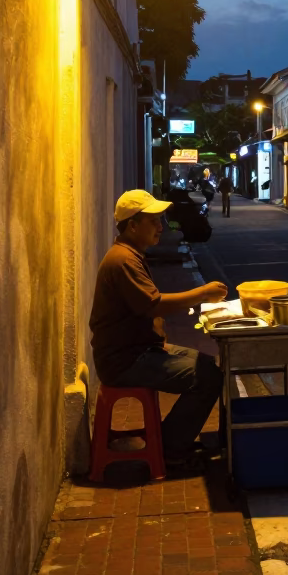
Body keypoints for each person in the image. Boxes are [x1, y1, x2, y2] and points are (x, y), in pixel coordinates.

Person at [90, 189, 229, 471]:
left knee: (207, 365)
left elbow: (144, 308)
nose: (160, 227)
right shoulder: (124, 261)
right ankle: (171, 448)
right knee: (209, 377)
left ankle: (169, 440)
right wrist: (202, 293)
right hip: (125, 361)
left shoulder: (131, 255)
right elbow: (153, 304)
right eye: (153, 221)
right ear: (133, 225)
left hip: (139, 350)